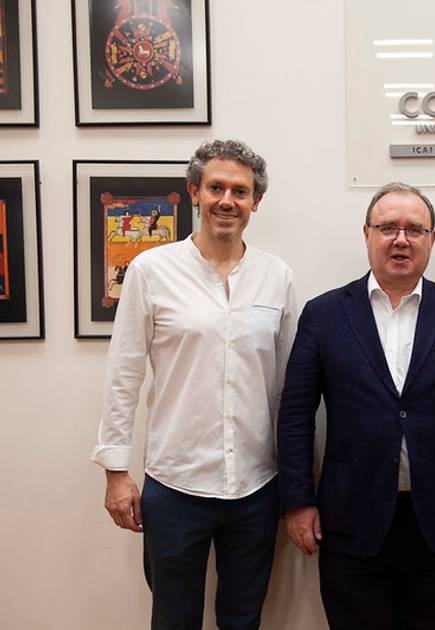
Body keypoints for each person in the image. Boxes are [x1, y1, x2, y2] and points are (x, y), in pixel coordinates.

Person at [277, 182, 435, 630]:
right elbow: (295, 415)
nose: (401, 239)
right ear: (366, 234)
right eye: (387, 228)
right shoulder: (323, 315)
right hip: (349, 520)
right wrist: (297, 502)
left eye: (414, 229)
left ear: (431, 240)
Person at [91, 140, 297, 630]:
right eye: (216, 187)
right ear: (194, 192)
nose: (227, 200)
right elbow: (124, 374)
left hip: (256, 484)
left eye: (240, 191)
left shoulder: (277, 276)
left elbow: (288, 386)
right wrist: (116, 472)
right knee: (173, 618)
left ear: (255, 202)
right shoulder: (151, 270)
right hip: (176, 483)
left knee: (243, 618)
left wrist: (296, 477)